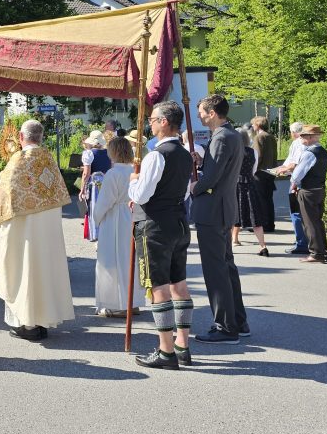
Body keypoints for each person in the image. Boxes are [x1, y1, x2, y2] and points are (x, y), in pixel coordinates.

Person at [0, 120, 74, 341]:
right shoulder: (49, 160)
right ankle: (44, 320)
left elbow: (0, 201)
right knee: (44, 270)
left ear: (20, 136)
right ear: (41, 137)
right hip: (47, 228)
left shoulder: (17, 162)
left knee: (24, 270)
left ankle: (27, 323)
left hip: (23, 231)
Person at [127, 103, 195, 369]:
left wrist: (133, 182)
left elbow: (141, 195)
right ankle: (182, 345)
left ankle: (166, 351)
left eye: (154, 120)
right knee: (179, 284)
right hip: (178, 220)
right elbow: (186, 192)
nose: (150, 125)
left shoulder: (157, 155)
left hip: (155, 224)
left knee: (159, 288)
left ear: (165, 122)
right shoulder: (186, 154)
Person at [190, 94, 248, 345]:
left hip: (213, 210)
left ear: (212, 113)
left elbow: (212, 178)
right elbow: (217, 169)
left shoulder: (222, 137)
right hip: (222, 209)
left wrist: (194, 187)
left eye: (202, 111)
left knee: (216, 271)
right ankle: (237, 320)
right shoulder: (231, 135)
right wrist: (203, 162)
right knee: (226, 266)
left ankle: (225, 326)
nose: (199, 115)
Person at [92, 136, 144, 318]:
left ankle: (118, 304)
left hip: (115, 219)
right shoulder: (134, 170)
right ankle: (133, 301)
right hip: (132, 216)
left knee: (113, 261)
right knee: (130, 261)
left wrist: (95, 219)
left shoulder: (113, 174)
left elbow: (104, 202)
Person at [290, 125, 327, 263]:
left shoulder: (309, 153)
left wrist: (294, 183)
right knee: (317, 221)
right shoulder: (323, 152)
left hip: (307, 191)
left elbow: (297, 174)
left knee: (309, 223)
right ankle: (322, 250)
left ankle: (316, 253)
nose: (301, 138)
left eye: (304, 136)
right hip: (319, 189)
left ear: (311, 137)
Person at [232, 131, 270, 256]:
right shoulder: (253, 151)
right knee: (254, 216)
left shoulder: (233, 151)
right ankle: (263, 246)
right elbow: (253, 170)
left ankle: (229, 245)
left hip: (235, 185)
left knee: (232, 215)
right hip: (250, 185)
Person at [277, 122, 310, 255]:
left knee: (296, 213)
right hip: (306, 182)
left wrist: (281, 169)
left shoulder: (297, 143)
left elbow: (293, 164)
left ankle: (301, 243)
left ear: (293, 132)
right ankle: (304, 240)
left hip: (297, 181)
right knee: (304, 213)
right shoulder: (308, 144)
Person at [250, 116, 278, 232]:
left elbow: (257, 156)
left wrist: (252, 171)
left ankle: (263, 225)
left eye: (253, 124)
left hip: (260, 172)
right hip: (270, 171)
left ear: (258, 125)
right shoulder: (271, 137)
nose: (252, 126)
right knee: (268, 199)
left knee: (260, 199)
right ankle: (270, 223)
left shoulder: (258, 137)